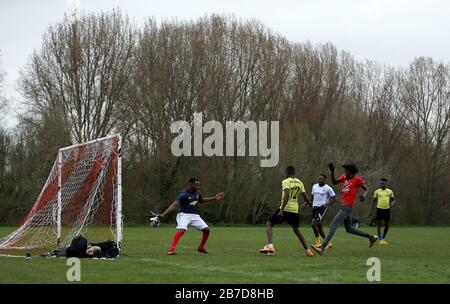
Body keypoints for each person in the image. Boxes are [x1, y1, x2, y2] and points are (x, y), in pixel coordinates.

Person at [311, 163, 377, 255]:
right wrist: (332, 171)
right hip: (344, 206)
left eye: (346, 171)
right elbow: (334, 182)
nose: (344, 173)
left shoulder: (357, 179)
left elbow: (366, 189)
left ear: (351, 173)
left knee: (332, 225)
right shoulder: (344, 178)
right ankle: (371, 237)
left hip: (347, 207)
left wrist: (363, 195)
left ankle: (322, 248)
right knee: (349, 229)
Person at [159, 177, 225, 255]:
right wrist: (163, 215)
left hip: (194, 215)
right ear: (191, 184)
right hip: (183, 215)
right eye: (196, 185)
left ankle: (201, 248)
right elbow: (174, 205)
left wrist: (214, 198)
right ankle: (171, 250)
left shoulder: (197, 193)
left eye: (198, 185)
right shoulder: (183, 194)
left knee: (207, 230)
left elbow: (201, 200)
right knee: (182, 230)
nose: (198, 187)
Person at [259, 165, 314, 257]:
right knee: (296, 230)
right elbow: (306, 198)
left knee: (269, 224)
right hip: (295, 211)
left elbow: (287, 195)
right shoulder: (300, 182)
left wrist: (281, 210)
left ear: (286, 173)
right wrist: (306, 204)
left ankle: (270, 246)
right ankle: (308, 251)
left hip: (286, 209)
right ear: (294, 173)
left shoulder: (285, 181)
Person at [310, 173, 337, 249]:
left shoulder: (328, 188)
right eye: (319, 178)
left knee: (313, 224)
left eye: (321, 179)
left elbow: (335, 199)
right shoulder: (314, 186)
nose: (320, 180)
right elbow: (312, 196)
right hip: (314, 208)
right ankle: (328, 242)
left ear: (325, 179)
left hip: (322, 209)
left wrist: (326, 204)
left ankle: (318, 242)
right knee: (319, 226)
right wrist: (308, 203)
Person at [369, 178, 395, 245]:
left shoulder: (390, 191)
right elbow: (373, 201)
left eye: (383, 183)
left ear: (386, 183)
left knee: (387, 225)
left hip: (387, 209)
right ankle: (380, 239)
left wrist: (392, 204)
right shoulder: (377, 191)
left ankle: (383, 238)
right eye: (381, 183)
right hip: (379, 209)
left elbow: (394, 200)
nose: (382, 184)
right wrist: (370, 211)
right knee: (379, 225)